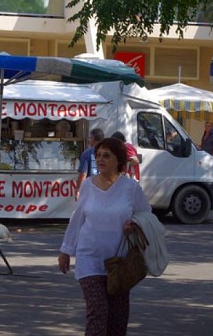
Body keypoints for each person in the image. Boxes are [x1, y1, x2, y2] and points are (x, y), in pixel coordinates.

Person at [58, 137, 151, 336]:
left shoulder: (131, 188)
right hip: (89, 259)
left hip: (119, 263)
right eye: (98, 155)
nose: (100, 159)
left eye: (106, 156)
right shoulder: (88, 186)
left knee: (117, 319)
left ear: (118, 160)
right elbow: (77, 219)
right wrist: (66, 250)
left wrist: (134, 224)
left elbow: (147, 217)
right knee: (98, 313)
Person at [76, 128, 104, 200]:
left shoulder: (86, 154)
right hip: (105, 188)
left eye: (89, 137)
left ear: (93, 138)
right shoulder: (108, 153)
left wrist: (78, 189)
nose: (88, 140)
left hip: (91, 190)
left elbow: (83, 174)